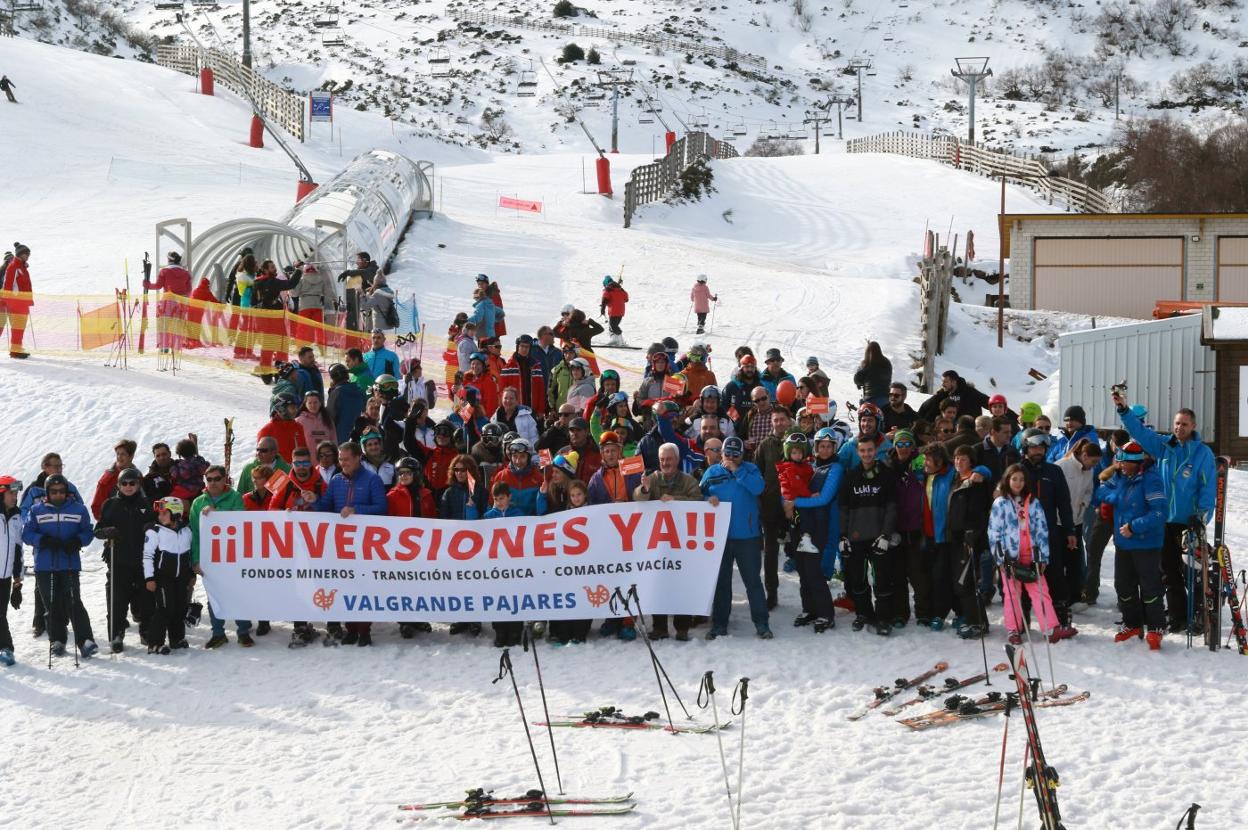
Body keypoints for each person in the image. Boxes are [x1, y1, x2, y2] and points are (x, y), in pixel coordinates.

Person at [1114, 392, 1216, 634]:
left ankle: (1199, 616)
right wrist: (1123, 409)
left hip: (1189, 523)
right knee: (1169, 573)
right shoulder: (1164, 446)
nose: (1179, 427)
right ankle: (1178, 616)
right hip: (1163, 522)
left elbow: (1207, 489)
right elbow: (1140, 433)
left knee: (1193, 573)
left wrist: (1201, 519)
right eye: (1177, 423)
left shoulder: (1202, 453)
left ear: (1194, 426)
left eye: (1184, 424)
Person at [315, 442, 387, 645]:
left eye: (346, 459)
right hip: (341, 544)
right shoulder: (336, 480)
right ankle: (351, 629)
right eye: (340, 459)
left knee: (362, 586)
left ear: (358, 458)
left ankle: (364, 630)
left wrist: (357, 510)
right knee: (345, 585)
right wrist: (314, 501)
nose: (342, 463)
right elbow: (326, 508)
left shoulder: (373, 480)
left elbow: (382, 507)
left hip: (365, 543)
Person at [1098, 441, 1167, 649]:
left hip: (1146, 543)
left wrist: (1135, 527)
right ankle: (1132, 623)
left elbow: (1159, 512)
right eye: (1119, 461)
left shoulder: (1151, 479)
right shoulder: (1120, 476)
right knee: (1123, 586)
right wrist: (1113, 492)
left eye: (1125, 462)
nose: (1121, 465)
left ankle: (1155, 627)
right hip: (1124, 543)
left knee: (1150, 587)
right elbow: (1099, 494)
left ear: (1137, 463)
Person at [701, 436, 771, 639]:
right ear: (721, 453)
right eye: (727, 454)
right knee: (722, 583)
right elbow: (697, 496)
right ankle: (719, 624)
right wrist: (707, 499)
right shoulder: (712, 472)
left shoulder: (750, 469)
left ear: (743, 455)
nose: (731, 458)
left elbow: (759, 488)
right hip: (719, 537)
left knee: (753, 582)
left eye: (735, 454)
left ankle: (762, 623)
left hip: (747, 536)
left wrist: (737, 471)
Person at [23, 474, 98, 658]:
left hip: (69, 564)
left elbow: (88, 531)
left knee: (74, 602)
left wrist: (78, 541)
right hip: (45, 565)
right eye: (54, 492)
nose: (58, 495)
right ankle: (57, 639)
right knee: (52, 604)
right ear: (47, 492)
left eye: (62, 491)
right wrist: (43, 540)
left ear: (67, 492)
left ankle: (85, 640)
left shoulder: (78, 509)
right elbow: (27, 533)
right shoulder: (36, 510)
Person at [634, 443, 703, 641]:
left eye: (669, 459)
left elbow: (698, 501)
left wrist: (675, 500)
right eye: (662, 459)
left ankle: (682, 627)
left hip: (682, 543)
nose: (665, 463)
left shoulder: (688, 481)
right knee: (658, 584)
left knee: (682, 584)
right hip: (658, 544)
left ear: (677, 460)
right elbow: (638, 498)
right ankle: (660, 627)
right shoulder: (653, 479)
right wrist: (645, 488)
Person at [989, 464, 1060, 645]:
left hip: (1031, 553)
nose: (1018, 483)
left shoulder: (1034, 502)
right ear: (1007, 480)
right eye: (1014, 479)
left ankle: (1050, 627)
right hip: (1009, 555)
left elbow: (1042, 530)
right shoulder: (1001, 503)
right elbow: (994, 532)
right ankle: (1013, 629)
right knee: (1012, 593)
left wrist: (1043, 556)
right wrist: (1000, 557)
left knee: (1040, 590)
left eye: (1021, 479)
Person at [1018, 428, 1077, 640]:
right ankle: (1020, 621)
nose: (1038, 451)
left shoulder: (1053, 472)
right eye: (1033, 447)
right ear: (1025, 448)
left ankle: (1059, 620)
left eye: (1041, 447)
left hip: (1050, 532)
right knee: (1022, 576)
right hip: (1022, 534)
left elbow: (1064, 502)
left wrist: (1069, 530)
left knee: (1054, 576)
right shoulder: (1016, 471)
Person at [839, 436, 898, 636]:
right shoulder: (851, 476)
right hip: (856, 538)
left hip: (878, 537)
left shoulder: (886, 474)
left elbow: (892, 508)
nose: (866, 454)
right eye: (862, 450)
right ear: (857, 452)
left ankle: (884, 618)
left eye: (870, 450)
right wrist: (843, 536)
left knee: (882, 579)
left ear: (876, 450)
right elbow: (844, 509)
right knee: (858, 579)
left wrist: (886, 534)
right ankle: (864, 614)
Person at [787, 427, 844, 632]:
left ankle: (825, 613)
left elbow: (824, 498)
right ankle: (809, 608)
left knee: (814, 569)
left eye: (829, 446)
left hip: (822, 524)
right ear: (816, 447)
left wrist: (794, 503)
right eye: (822, 446)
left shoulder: (835, 469)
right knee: (802, 568)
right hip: (802, 524)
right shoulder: (809, 466)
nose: (826, 450)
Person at [93, 467, 155, 653]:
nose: (129, 487)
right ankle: (116, 634)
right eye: (124, 483)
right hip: (118, 559)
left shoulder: (147, 503)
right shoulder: (110, 504)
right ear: (119, 485)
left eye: (132, 483)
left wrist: (152, 527)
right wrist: (106, 532)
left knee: (145, 598)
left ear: (138, 484)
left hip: (143, 559)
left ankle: (146, 631)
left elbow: (160, 526)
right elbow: (97, 530)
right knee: (117, 600)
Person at [190, 466, 251, 648]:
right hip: (211, 557)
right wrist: (196, 559)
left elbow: (241, 524)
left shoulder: (235, 497)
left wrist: (217, 514)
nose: (213, 482)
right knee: (214, 595)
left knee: (238, 593)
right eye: (209, 479)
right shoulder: (198, 502)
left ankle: (243, 631)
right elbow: (195, 534)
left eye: (217, 478)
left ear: (225, 479)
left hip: (233, 555)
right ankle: (218, 633)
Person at [946, 445, 994, 640]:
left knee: (966, 582)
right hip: (956, 538)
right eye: (957, 458)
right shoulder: (956, 479)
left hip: (970, 539)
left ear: (971, 462)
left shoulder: (976, 482)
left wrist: (972, 535)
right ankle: (976, 619)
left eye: (963, 459)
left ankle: (978, 623)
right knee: (963, 582)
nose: (959, 462)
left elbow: (978, 512)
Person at [387, 458, 437, 640]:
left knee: (420, 584)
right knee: (403, 585)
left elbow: (432, 517)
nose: (404, 476)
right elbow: (387, 522)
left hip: (422, 547)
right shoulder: (392, 495)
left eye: (407, 473)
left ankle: (418, 617)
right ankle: (405, 621)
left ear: (415, 475)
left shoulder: (426, 494)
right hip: (401, 549)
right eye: (401, 473)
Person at [142, 497, 195, 655]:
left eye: (165, 513)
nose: (160, 516)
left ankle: (176, 639)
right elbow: (147, 556)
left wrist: (191, 573)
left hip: (182, 577)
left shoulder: (187, 530)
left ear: (176, 514)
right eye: (159, 513)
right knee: (165, 608)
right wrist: (149, 578)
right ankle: (155, 643)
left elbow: (190, 554)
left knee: (180, 607)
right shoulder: (154, 531)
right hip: (163, 576)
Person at [753, 407, 794, 610]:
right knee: (770, 552)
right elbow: (756, 472)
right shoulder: (765, 445)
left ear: (789, 420)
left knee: (802, 550)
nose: (779, 423)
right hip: (770, 507)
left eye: (782, 419)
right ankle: (772, 592)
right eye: (775, 420)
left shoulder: (797, 440)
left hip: (794, 506)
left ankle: (811, 593)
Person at [1056, 438, 1102, 613]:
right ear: (1084, 455)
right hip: (1059, 522)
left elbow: (1089, 490)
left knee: (1074, 560)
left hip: (1077, 521)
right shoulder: (1062, 466)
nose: (1094, 465)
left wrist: (1084, 503)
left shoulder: (1088, 472)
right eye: (1093, 461)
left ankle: (1075, 596)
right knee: (1060, 561)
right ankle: (1059, 597)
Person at [885, 429, 925, 627]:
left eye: (907, 444)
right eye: (899, 444)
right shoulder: (886, 465)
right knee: (897, 574)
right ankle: (900, 613)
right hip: (895, 527)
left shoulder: (921, 464)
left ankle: (924, 612)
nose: (903, 448)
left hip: (917, 527)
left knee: (918, 573)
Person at [144, 251, 193, 351]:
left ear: (169, 260)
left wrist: (147, 285)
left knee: (164, 325)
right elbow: (188, 290)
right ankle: (176, 347)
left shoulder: (164, 271)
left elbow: (158, 285)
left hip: (167, 302)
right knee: (178, 326)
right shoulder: (186, 273)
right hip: (181, 303)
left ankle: (164, 347)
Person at [0, 476, 24, 666]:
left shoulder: (16, 517)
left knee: (1, 614)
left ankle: (5, 649)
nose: (15, 497)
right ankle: (7, 648)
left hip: (6, 576)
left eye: (16, 493)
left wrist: (18, 581)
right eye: (11, 493)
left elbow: (18, 550)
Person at [90, 438, 139, 520]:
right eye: (118, 454)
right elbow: (96, 507)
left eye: (123, 454)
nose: (119, 457)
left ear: (131, 456)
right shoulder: (108, 479)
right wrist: (108, 524)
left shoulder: (138, 476)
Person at [917, 369, 991, 422]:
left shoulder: (970, 392)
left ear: (954, 382)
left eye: (945, 382)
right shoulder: (941, 396)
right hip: (948, 431)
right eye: (942, 382)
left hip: (970, 430)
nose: (942, 384)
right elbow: (925, 408)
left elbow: (989, 403)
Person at [290, 263, 335, 349]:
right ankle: (322, 348)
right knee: (319, 329)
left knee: (302, 328)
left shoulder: (302, 280)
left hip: (304, 305)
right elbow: (328, 292)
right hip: (317, 305)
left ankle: (300, 346)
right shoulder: (321, 280)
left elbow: (294, 294)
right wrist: (334, 299)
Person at [1, 242, 32, 359]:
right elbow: (8, 285)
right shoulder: (14, 266)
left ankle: (17, 348)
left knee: (19, 327)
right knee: (16, 327)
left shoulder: (21, 266)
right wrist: (8, 302)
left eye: (29, 254)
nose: (28, 256)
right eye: (26, 254)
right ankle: (15, 351)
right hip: (16, 303)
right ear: (20, 254)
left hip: (22, 302)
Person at [258, 394, 308, 464]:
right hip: (277, 472)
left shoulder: (298, 427)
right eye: (292, 408)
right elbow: (261, 458)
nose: (296, 411)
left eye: (296, 407)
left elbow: (304, 451)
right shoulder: (267, 431)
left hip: (298, 470)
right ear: (281, 408)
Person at [337, 252, 378, 331]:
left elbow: (366, 273)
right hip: (365, 304)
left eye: (358, 260)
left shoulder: (374, 269)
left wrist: (349, 272)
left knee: (371, 326)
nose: (356, 262)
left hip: (375, 305)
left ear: (365, 260)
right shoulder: (360, 272)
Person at [327, 362, 366, 444]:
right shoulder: (359, 391)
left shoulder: (336, 393)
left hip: (340, 436)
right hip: (359, 435)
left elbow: (329, 418)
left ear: (333, 379)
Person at [853, 341, 892, 408]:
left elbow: (857, 379)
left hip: (871, 399)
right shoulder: (886, 362)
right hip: (886, 398)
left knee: (867, 417)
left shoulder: (866, 364)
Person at [600, 276, 629, 344]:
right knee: (613, 325)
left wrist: (602, 309)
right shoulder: (621, 289)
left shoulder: (608, 290)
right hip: (621, 310)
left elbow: (604, 300)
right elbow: (626, 299)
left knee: (613, 326)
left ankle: (621, 341)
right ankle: (615, 339)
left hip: (613, 310)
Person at [475, 273, 507, 338]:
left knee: (491, 346)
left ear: (487, 284)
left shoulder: (493, 294)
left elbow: (497, 311)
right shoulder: (483, 294)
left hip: (493, 329)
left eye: (482, 284)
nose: (480, 286)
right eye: (479, 284)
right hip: (485, 329)